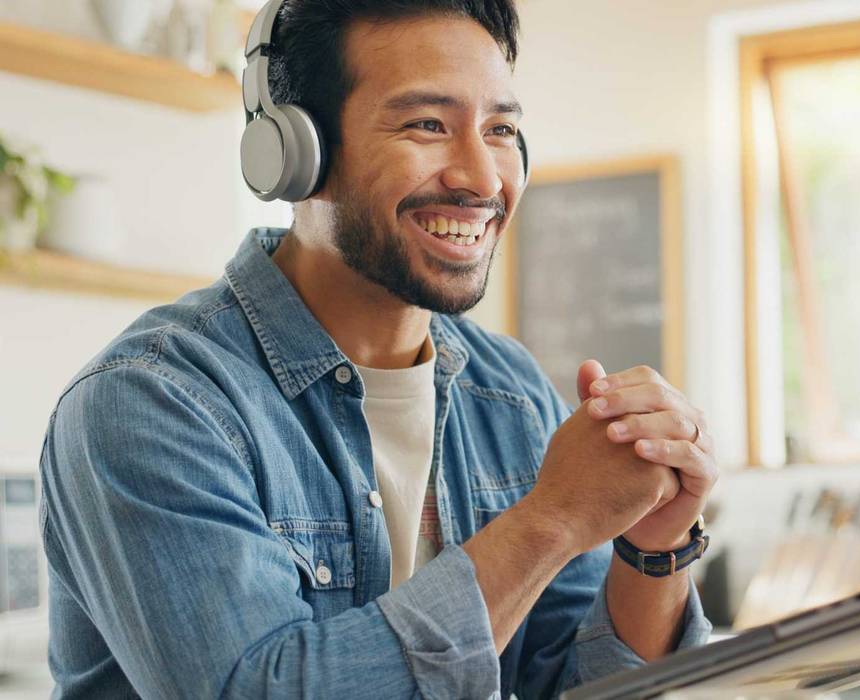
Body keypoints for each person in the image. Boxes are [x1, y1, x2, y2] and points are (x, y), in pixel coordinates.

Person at [39, 0, 718, 697]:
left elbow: (573, 681)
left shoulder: (507, 391)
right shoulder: (150, 403)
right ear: (296, 151)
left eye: (501, 129)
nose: (483, 179)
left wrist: (652, 547)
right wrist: (551, 520)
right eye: (427, 124)